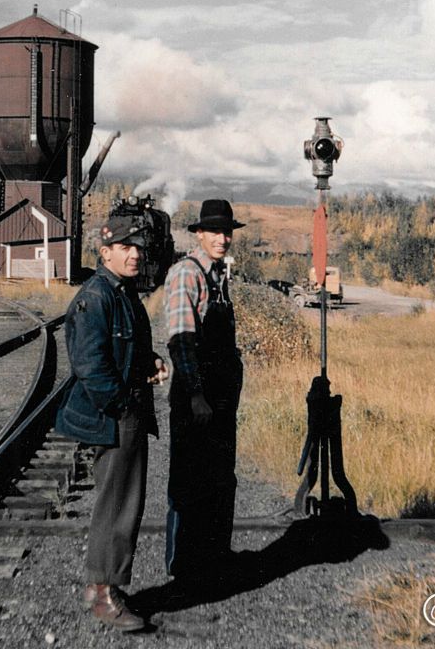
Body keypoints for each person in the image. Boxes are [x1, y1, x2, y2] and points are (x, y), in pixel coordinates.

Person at [55, 215, 168, 632]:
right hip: (116, 418)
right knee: (118, 507)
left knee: (122, 504)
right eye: (125, 247)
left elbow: (125, 353)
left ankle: (102, 586)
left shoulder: (123, 294)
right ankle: (104, 594)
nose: (135, 253)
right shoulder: (97, 297)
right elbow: (90, 365)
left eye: (138, 247)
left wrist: (149, 363)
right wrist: (122, 408)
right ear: (105, 253)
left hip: (126, 412)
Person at [163, 198, 245, 582]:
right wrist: (196, 394)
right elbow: (181, 341)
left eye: (227, 231)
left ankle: (214, 558)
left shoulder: (218, 278)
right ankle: (183, 569)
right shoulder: (187, 274)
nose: (222, 238)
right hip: (197, 398)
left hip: (220, 399)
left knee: (219, 478)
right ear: (199, 234)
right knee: (189, 481)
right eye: (214, 231)